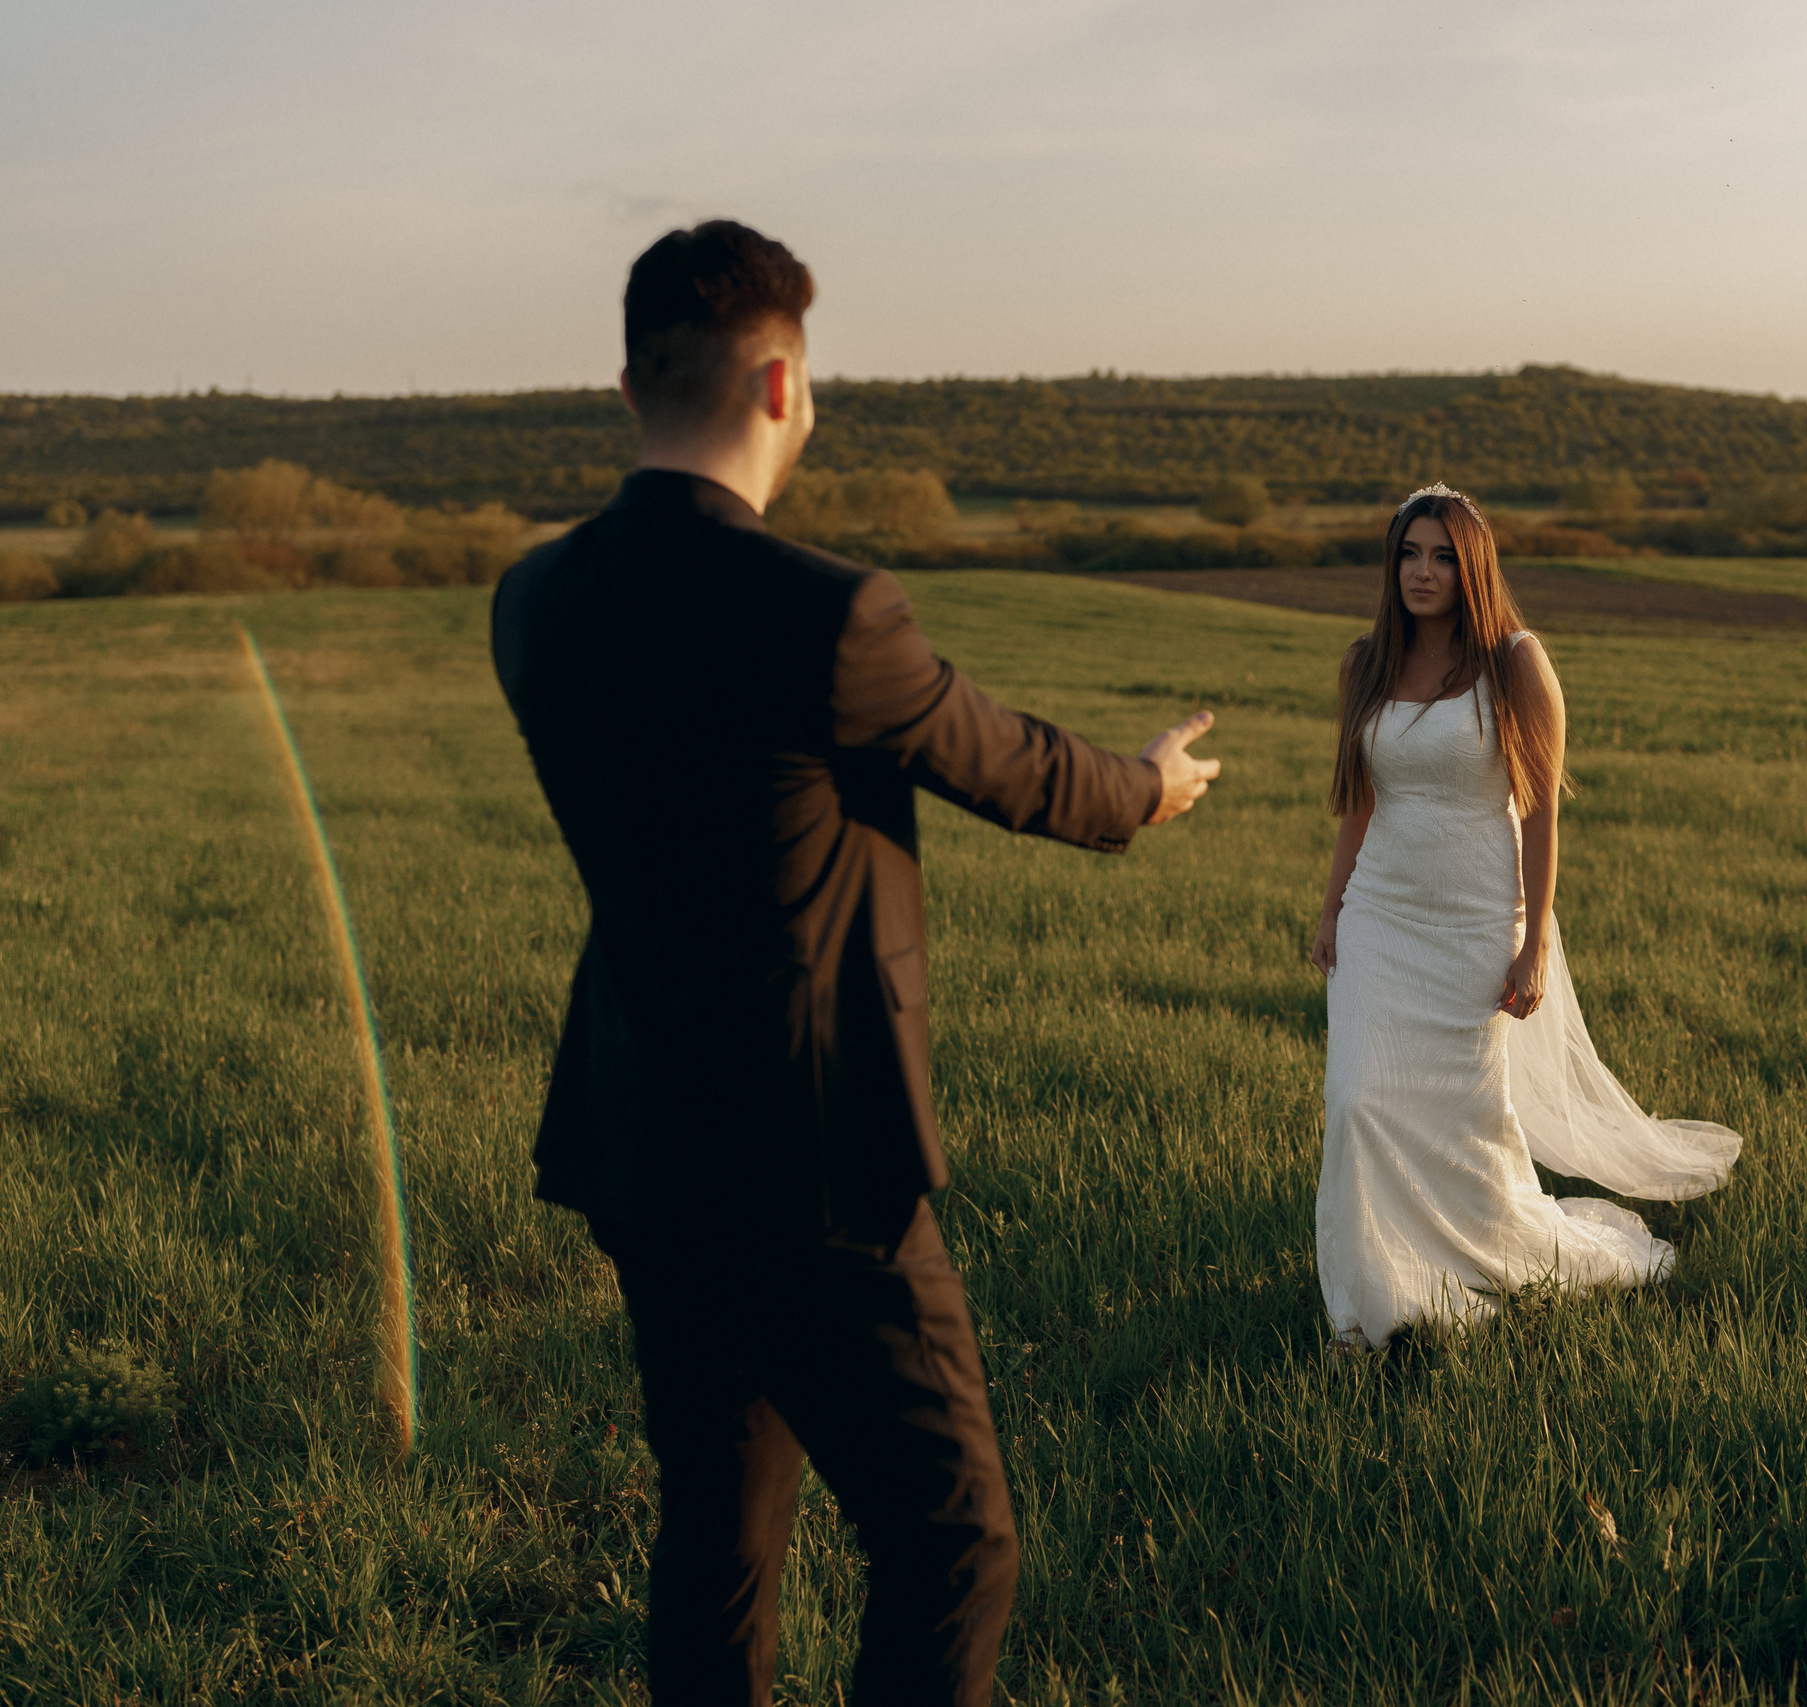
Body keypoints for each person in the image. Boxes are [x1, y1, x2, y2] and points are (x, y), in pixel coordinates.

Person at [490, 220, 1220, 1707]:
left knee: (716, 1533)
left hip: (642, 1138)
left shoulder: (534, 600)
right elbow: (1006, 760)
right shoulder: (828, 613)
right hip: (815, 1166)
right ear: (781, 389)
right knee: (956, 1537)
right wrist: (1144, 788)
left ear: (631, 386)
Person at [1307, 484, 1739, 1349]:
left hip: (1475, 923)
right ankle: (1371, 1297)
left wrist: (1533, 942)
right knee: (1359, 1102)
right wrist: (1331, 909)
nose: (1422, 572)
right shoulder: (1366, 664)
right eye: (1408, 554)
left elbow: (1539, 811)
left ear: (1473, 567)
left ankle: (1476, 1252)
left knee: (1463, 1124)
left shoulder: (1514, 664)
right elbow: (1360, 802)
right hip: (1380, 919)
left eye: (1441, 556)